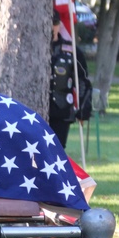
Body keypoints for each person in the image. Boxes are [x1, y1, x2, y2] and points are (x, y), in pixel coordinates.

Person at [48, 11, 92, 148]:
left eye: (54, 23)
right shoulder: (31, 50)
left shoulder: (71, 51)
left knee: (56, 154)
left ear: (59, 24)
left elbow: (83, 80)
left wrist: (84, 107)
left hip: (61, 111)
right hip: (35, 110)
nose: (51, 27)